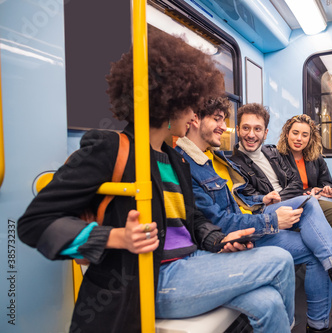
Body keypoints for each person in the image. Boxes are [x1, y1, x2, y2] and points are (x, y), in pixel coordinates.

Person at [17, 26, 296, 333]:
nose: (193, 118)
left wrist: (218, 239)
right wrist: (117, 237)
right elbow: (35, 222)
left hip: (191, 264)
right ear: (169, 104)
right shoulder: (111, 148)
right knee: (279, 259)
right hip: (149, 281)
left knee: (268, 302)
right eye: (190, 108)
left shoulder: (175, 158)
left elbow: (190, 220)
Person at [175, 97, 332, 333]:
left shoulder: (218, 157)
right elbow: (221, 219)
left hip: (264, 210)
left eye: (258, 129)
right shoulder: (208, 161)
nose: (223, 128)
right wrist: (271, 215)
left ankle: (321, 324)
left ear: (266, 132)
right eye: (220, 121)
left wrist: (265, 198)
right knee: (316, 206)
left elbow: (243, 196)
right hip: (248, 225)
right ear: (195, 119)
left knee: (317, 232)